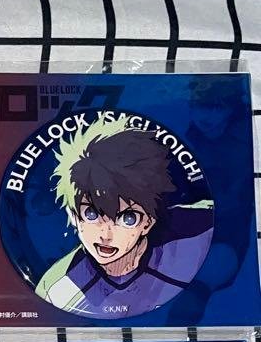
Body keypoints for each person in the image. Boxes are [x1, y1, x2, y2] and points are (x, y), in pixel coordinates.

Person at [35, 118, 212, 319]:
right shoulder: (60, 290)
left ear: (148, 222)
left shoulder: (199, 232)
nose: (106, 235)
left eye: (127, 218)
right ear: (73, 216)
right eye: (91, 214)